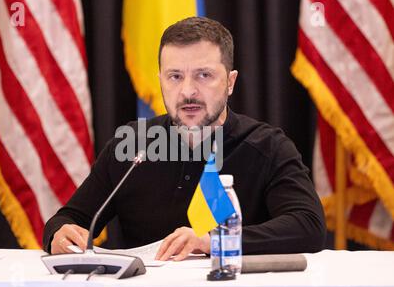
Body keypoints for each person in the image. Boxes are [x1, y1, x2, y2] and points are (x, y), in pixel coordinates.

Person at [43, 16, 326, 260]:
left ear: (230, 83)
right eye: (175, 76)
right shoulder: (131, 145)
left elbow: (308, 227)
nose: (188, 91)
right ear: (161, 80)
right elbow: (69, 219)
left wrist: (213, 241)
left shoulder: (268, 147)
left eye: (204, 75)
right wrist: (59, 233)